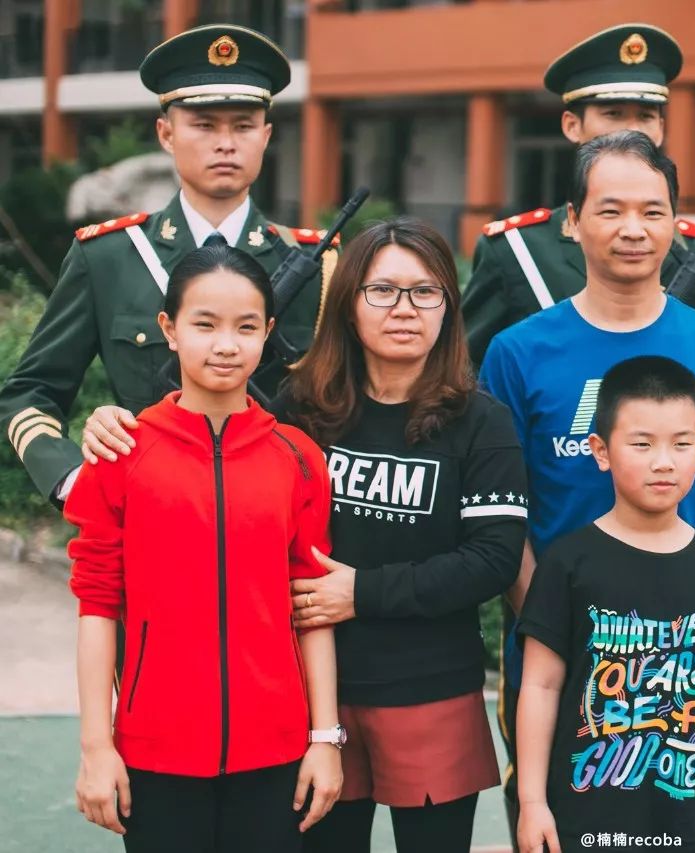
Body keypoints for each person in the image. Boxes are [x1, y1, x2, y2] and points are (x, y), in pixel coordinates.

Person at [82, 218, 528, 853]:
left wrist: (364, 592)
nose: (404, 309)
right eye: (382, 291)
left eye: (425, 292)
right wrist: (109, 420)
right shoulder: (304, 408)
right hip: (313, 696)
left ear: (449, 308)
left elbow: (493, 559)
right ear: (347, 304)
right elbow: (211, 411)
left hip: (428, 686)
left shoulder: (483, 422)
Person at [481, 130, 695, 844]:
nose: (633, 229)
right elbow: (502, 514)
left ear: (677, 222)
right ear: (573, 221)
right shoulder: (517, 352)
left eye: (653, 211)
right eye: (611, 209)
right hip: (554, 657)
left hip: (684, 661)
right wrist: (549, 621)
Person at [65, 244, 343, 853]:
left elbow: (311, 605)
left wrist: (325, 737)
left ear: (269, 333)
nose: (226, 344)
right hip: (154, 755)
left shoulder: (297, 457)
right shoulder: (122, 456)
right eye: (205, 324)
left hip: (276, 756)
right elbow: (96, 604)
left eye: (247, 327)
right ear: (168, 330)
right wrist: (96, 746)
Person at [0, 23, 334, 505]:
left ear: (266, 136)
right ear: (166, 133)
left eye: (242, 125)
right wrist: (74, 483)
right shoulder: (110, 257)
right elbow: (30, 391)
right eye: (203, 125)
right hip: (148, 517)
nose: (225, 143)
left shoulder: (316, 263)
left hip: (275, 525)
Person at [516, 356, 695, 853]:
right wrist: (532, 802)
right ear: (601, 451)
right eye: (642, 444)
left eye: (681, 444)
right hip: (588, 819)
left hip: (691, 812)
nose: (664, 461)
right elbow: (539, 686)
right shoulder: (567, 564)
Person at [462, 22, 695, 366]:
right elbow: (468, 374)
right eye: (613, 114)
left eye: (646, 116)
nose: (632, 129)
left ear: (662, 128)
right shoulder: (516, 250)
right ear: (571, 125)